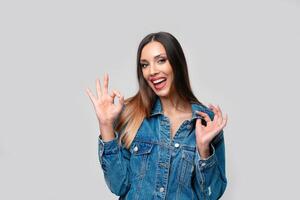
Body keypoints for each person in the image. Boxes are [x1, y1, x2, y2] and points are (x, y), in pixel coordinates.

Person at [86, 31, 228, 200]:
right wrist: (105, 125)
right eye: (144, 65)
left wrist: (204, 149)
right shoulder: (131, 114)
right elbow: (119, 185)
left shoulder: (205, 121)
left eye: (161, 60)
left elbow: (211, 195)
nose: (151, 71)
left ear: (176, 63)